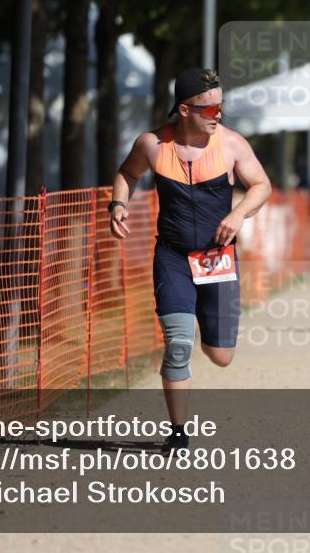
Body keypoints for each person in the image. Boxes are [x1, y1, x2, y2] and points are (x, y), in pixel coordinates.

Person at [110, 67, 271, 449]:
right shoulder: (152, 145)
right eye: (210, 108)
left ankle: (206, 320)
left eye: (221, 107)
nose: (219, 114)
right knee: (179, 345)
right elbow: (127, 174)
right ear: (184, 110)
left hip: (217, 259)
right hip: (173, 257)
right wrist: (118, 204)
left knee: (220, 356)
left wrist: (237, 214)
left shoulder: (231, 145)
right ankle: (178, 433)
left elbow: (261, 185)